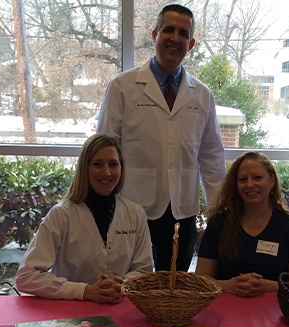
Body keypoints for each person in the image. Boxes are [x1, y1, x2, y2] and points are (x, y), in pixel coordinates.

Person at [96, 4, 226, 272]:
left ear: (190, 44)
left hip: (182, 211)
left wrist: (218, 212)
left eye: (183, 33)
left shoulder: (202, 95)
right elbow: (105, 148)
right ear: (155, 35)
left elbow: (211, 157)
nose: (175, 38)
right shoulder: (122, 86)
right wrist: (101, 202)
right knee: (128, 281)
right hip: (132, 208)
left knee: (173, 289)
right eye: (168, 30)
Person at [16, 134, 153, 303]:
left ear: (121, 169)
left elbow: (143, 269)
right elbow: (26, 276)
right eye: (97, 164)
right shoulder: (61, 214)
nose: (107, 172)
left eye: (113, 164)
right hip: (71, 310)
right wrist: (84, 291)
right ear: (84, 168)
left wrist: (122, 285)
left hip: (120, 306)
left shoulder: (135, 213)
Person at [195, 151, 289, 296]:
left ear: (272, 181)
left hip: (275, 311)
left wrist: (267, 286)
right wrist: (227, 285)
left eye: (257, 177)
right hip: (226, 309)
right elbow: (200, 279)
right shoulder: (218, 224)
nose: (250, 184)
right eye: (243, 179)